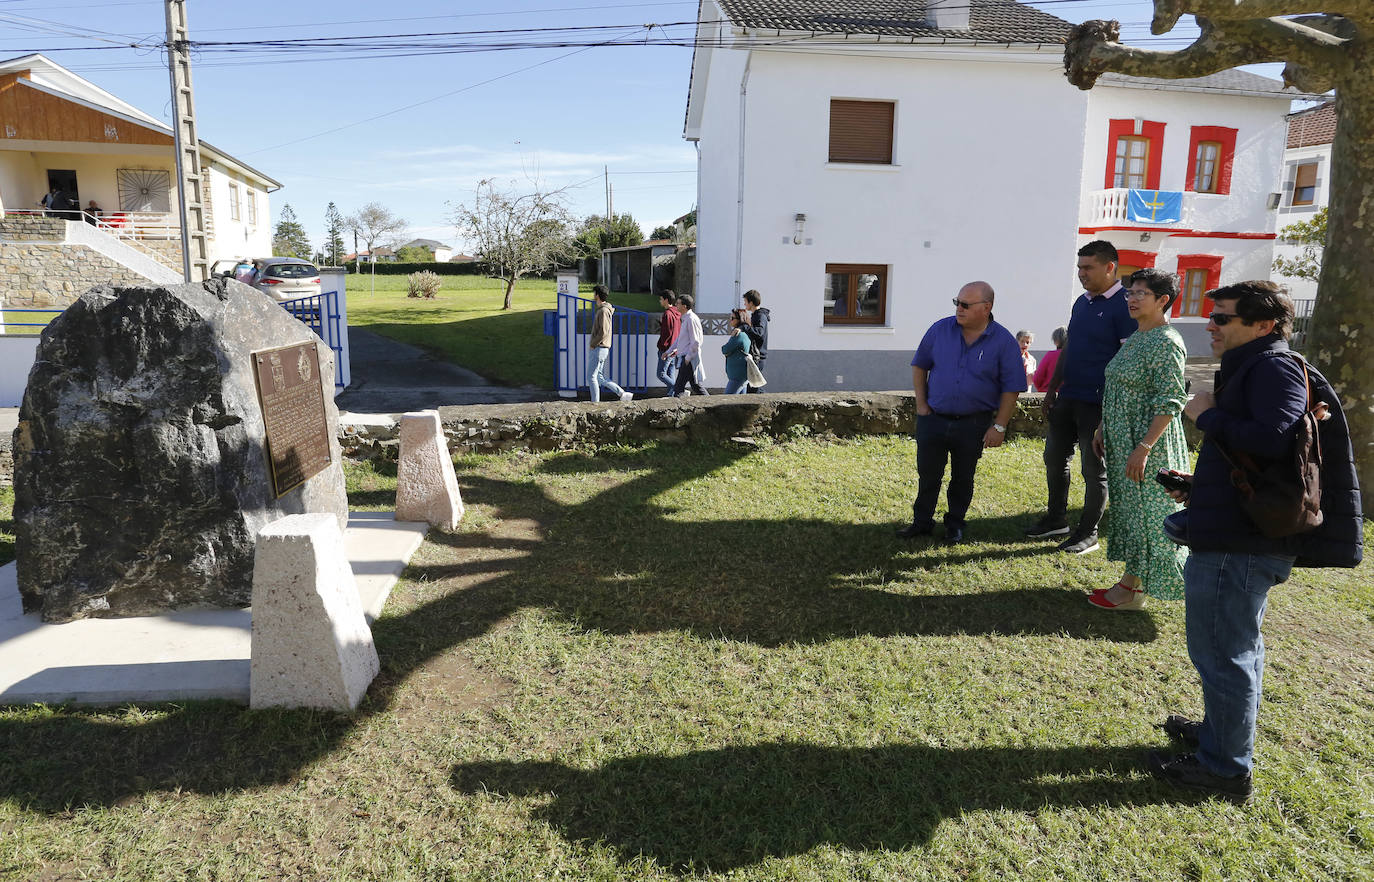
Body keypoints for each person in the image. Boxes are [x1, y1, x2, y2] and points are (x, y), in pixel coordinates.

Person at [1147, 280, 1363, 802]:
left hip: (1240, 546)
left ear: (1264, 325)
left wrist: (1205, 414)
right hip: (1238, 532)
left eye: (1223, 317)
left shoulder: (1272, 368)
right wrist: (1203, 486)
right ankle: (1221, 735)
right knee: (1231, 647)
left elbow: (1273, 438)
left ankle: (1224, 769)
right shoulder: (1257, 366)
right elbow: (1267, 457)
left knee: (1225, 653)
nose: (1211, 326)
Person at [1087, 269, 1190, 610]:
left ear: (1163, 300)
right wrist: (1103, 427)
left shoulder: (1166, 341)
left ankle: (1135, 590)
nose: (1131, 298)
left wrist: (1144, 448)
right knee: (1133, 513)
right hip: (1124, 440)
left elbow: (1171, 400)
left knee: (1150, 515)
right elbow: (1119, 387)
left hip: (1148, 445)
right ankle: (1131, 585)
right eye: (1130, 292)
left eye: (1140, 293)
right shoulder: (1137, 337)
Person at [1025, 240, 1136, 555]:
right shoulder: (1081, 303)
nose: (1081, 273)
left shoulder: (1125, 305)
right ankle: (1056, 519)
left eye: (1088, 267)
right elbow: (1069, 348)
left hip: (1098, 403)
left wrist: (1110, 409)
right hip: (1068, 397)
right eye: (1079, 267)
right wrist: (1052, 389)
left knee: (1094, 470)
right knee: (1054, 458)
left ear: (1110, 267)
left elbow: (1127, 361)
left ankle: (1088, 533)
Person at [897, 281, 1025, 545]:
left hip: (973, 423)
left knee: (963, 477)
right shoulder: (939, 330)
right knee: (928, 474)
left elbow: (1011, 388)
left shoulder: (1003, 341)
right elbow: (920, 366)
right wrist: (921, 405)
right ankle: (922, 522)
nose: (959, 309)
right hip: (934, 419)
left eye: (966, 304)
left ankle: (954, 525)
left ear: (986, 307)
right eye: (957, 302)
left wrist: (999, 426)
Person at [587, 285, 633, 404]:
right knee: (599, 377)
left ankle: (595, 403)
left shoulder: (603, 311)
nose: (593, 296)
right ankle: (622, 393)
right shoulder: (604, 310)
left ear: (597, 295)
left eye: (594, 293)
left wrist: (593, 344)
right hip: (602, 348)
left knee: (591, 377)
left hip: (599, 348)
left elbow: (603, 331)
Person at [667, 294, 708, 397]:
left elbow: (696, 341)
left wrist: (687, 358)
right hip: (686, 357)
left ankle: (678, 406)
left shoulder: (691, 319)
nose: (676, 305)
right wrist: (669, 351)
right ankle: (712, 404)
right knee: (696, 386)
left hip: (688, 358)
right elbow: (680, 339)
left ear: (684, 306)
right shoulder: (686, 318)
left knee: (678, 388)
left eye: (678, 303)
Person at [742, 289, 770, 392]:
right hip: (755, 355)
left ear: (751, 303)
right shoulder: (755, 315)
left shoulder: (760, 316)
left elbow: (759, 332)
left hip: (758, 356)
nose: (744, 304)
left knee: (754, 388)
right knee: (753, 387)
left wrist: (745, 326)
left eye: (745, 302)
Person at [655, 290, 681, 395]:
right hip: (675, 349)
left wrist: (662, 347)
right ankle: (673, 396)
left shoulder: (667, 314)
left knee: (661, 374)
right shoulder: (677, 312)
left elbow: (667, 333)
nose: (660, 301)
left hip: (666, 349)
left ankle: (679, 389)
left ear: (666, 300)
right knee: (670, 374)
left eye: (661, 299)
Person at [721, 308, 752, 394]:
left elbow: (725, 349)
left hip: (737, 376)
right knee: (741, 401)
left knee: (726, 400)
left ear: (739, 320)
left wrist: (725, 346)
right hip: (740, 375)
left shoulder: (738, 335)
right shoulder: (744, 334)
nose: (730, 320)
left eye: (732, 318)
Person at [1032, 326, 1067, 392]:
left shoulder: (1050, 355)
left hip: (1049, 393)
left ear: (1056, 340)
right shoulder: (1076, 356)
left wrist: (1042, 390)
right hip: (1071, 394)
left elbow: (1037, 378)